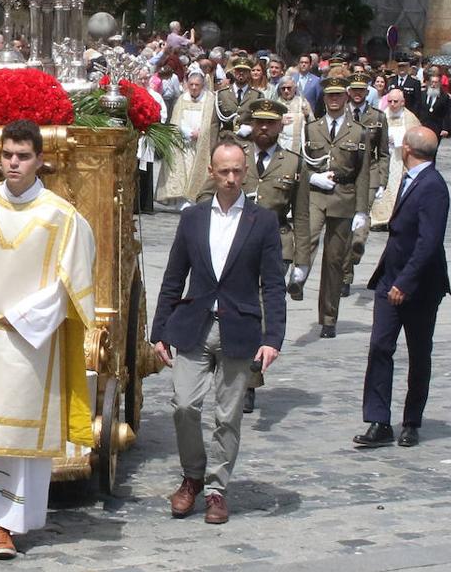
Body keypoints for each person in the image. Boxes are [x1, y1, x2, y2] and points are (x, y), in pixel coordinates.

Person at [0, 119, 95, 559]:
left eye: (23, 156)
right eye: (8, 154)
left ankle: (3, 523)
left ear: (39, 160)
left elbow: (71, 285)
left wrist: (21, 315)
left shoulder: (62, 217)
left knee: (15, 437)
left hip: (28, 342)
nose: (14, 162)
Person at [152, 141, 286, 524]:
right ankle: (191, 476)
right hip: (193, 326)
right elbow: (174, 276)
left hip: (239, 329)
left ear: (246, 172)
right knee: (184, 405)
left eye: (237, 171)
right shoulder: (193, 218)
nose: (230, 178)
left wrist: (272, 337)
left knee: (228, 416)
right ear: (211, 172)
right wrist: (158, 330)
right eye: (223, 171)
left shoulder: (262, 221)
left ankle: (215, 490)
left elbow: (273, 284)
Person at [197, 101, 308, 414]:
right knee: (241, 307)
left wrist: (303, 259)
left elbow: (300, 213)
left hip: (276, 242)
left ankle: (247, 382)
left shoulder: (292, 163)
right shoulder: (235, 157)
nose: (263, 128)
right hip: (236, 241)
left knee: (260, 307)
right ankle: (241, 376)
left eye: (270, 124)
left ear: (279, 127)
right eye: (259, 122)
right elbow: (206, 194)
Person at [354, 126, 450, 449]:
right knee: (380, 347)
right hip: (389, 279)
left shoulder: (433, 186)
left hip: (419, 287)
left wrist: (405, 283)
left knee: (419, 353)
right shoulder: (410, 179)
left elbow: (428, 243)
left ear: (407, 149)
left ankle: (411, 421)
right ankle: (378, 420)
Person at [291, 76, 372, 336]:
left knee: (335, 260)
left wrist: (362, 210)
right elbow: (301, 161)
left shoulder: (359, 131)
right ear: (324, 98)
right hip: (315, 192)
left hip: (344, 195)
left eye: (338, 95)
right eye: (329, 95)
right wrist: (312, 177)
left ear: (346, 98)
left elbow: (362, 173)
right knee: (307, 236)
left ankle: (328, 318)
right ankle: (299, 276)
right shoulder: (311, 128)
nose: (334, 100)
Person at [343, 72, 390, 295]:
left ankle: (358, 244)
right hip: (346, 172)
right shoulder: (340, 114)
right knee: (344, 223)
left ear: (367, 92)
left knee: (362, 214)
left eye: (362, 90)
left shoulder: (377, 117)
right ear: (349, 92)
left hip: (369, 172)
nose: (358, 94)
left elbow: (383, 153)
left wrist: (382, 180)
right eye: (354, 90)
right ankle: (345, 275)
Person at [156, 72, 217, 207]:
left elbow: (211, 122)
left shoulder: (210, 99)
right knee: (184, 171)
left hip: (202, 143)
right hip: (184, 142)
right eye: (191, 85)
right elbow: (176, 120)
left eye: (197, 85)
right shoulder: (182, 99)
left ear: (203, 85)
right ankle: (183, 201)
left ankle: (199, 198)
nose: (194, 88)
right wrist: (187, 132)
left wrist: (201, 133)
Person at [371, 89, 423, 226]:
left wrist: (399, 140)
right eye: (390, 101)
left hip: (401, 159)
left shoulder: (410, 118)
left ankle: (396, 218)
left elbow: (415, 138)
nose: (392, 104)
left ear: (403, 102)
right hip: (384, 156)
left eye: (396, 101)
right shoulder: (382, 115)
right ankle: (380, 219)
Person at [215, 56, 264, 135]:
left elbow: (261, 121)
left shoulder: (257, 95)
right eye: (238, 70)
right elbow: (215, 123)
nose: (241, 73)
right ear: (234, 72)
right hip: (226, 139)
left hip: (247, 141)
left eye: (245, 71)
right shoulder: (222, 94)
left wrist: (251, 128)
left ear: (249, 73)